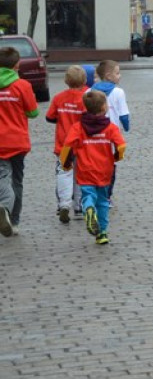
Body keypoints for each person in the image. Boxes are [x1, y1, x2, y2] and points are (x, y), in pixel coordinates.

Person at [59, 90, 126, 245]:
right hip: (105, 170)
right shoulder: (110, 127)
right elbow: (121, 145)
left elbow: (67, 146)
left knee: (88, 195)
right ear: (104, 108)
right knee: (103, 201)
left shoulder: (78, 127)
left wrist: (66, 163)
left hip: (85, 169)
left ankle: (88, 209)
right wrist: (117, 157)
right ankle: (102, 233)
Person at [0, 46, 39, 237]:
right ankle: (13, 221)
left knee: (2, 176)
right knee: (17, 180)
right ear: (17, 64)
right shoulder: (22, 86)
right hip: (17, 140)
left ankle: (3, 206)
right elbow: (33, 112)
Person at [46, 66, 87, 223]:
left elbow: (50, 117)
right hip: (82, 144)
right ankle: (79, 207)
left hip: (64, 144)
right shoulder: (86, 98)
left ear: (66, 81)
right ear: (84, 81)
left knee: (64, 173)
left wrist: (63, 117)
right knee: (80, 175)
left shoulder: (58, 97)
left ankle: (64, 204)